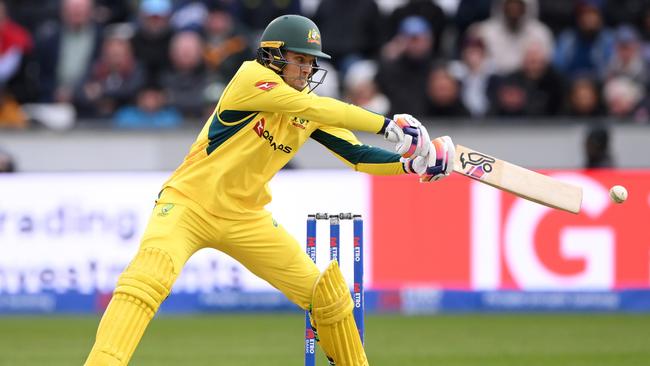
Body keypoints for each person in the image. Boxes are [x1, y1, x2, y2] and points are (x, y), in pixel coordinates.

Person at [83, 14, 455, 366]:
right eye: (299, 59)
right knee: (146, 280)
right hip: (187, 205)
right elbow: (319, 108)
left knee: (329, 296)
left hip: (245, 218)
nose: (307, 69)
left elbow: (357, 155)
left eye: (311, 62)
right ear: (273, 56)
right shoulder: (250, 79)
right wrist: (389, 126)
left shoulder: (307, 110)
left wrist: (411, 164)